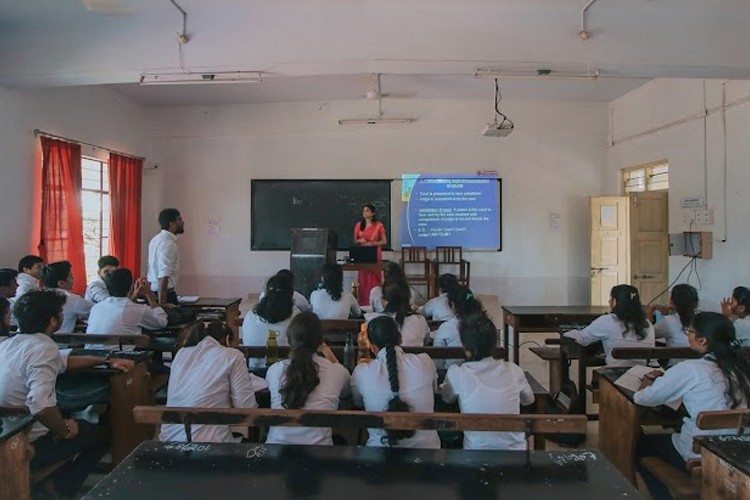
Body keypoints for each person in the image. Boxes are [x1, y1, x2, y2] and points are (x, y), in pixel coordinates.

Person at [0, 289, 133, 497]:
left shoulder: (9, 345)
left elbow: (64, 361)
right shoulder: (44, 348)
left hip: (5, 433)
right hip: (25, 442)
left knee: (73, 422)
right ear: (53, 320)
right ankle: (60, 488)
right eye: (61, 312)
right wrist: (64, 430)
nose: (63, 316)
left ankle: (53, 483)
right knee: (102, 435)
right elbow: (42, 406)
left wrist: (105, 360)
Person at [634, 312, 750, 499]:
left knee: (639, 445)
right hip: (736, 453)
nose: (687, 334)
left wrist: (648, 380)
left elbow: (643, 399)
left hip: (699, 455)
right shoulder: (741, 369)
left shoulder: (691, 369)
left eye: (690, 330)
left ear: (702, 340)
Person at [441, 313, 534, 450]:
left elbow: (447, 399)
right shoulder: (514, 371)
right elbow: (529, 400)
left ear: (465, 346)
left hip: (476, 455)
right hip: (516, 455)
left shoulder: (457, 373)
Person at [160, 322, 258, 443]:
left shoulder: (181, 354)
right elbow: (246, 408)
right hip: (210, 443)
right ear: (227, 340)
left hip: (169, 439)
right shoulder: (232, 355)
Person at [351, 315, 440, 449]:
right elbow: (434, 391)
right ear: (400, 338)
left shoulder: (362, 372)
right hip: (428, 451)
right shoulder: (424, 362)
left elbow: (357, 402)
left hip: (379, 454)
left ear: (372, 346)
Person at [265, 312, 351, 445]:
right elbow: (346, 391)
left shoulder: (274, 370)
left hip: (277, 450)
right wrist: (327, 351)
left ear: (288, 340)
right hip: (320, 454)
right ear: (321, 341)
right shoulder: (337, 371)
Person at [564, 284, 655, 366]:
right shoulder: (647, 324)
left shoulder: (608, 320)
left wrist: (570, 332)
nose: (609, 301)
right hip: (642, 373)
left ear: (614, 302)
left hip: (616, 375)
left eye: (611, 298)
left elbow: (582, 339)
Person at [86, 268, 168, 337]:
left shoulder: (96, 308)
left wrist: (135, 295)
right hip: (120, 354)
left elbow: (122, 307)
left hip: (88, 354)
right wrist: (149, 294)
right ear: (131, 287)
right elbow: (162, 322)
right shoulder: (137, 310)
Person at [242, 275, 299, 367]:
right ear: (290, 294)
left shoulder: (251, 315)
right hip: (286, 374)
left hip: (254, 371)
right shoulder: (295, 316)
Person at [432, 286, 484, 368]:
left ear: (453, 305)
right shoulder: (484, 324)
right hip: (482, 373)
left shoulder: (446, 328)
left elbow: (438, 364)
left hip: (452, 376)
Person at [366, 281, 430, 346]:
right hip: (416, 355)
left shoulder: (373, 319)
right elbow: (426, 341)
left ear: (384, 301)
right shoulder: (420, 319)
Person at [41, 260, 93, 333]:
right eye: (71, 277)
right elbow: (96, 312)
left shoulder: (36, 296)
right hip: (62, 342)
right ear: (61, 283)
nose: (73, 280)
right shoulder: (72, 299)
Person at [147, 208, 184, 306]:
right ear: (171, 224)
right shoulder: (168, 243)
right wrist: (162, 303)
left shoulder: (155, 239)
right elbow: (164, 274)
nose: (182, 222)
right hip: (165, 294)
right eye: (179, 220)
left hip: (154, 291)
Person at [353, 203, 387, 305]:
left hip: (375, 255)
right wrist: (360, 241)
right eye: (363, 211)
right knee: (363, 280)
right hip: (362, 255)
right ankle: (363, 303)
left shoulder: (379, 226)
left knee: (374, 280)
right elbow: (355, 240)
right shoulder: (359, 225)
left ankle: (375, 303)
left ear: (373, 213)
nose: (364, 213)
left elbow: (384, 241)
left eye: (367, 211)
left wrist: (372, 243)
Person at [651, 284, 699, 348]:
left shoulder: (669, 321)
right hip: (699, 358)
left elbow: (647, 334)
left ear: (671, 301)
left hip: (677, 357)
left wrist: (651, 310)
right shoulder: (702, 320)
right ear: (696, 303)